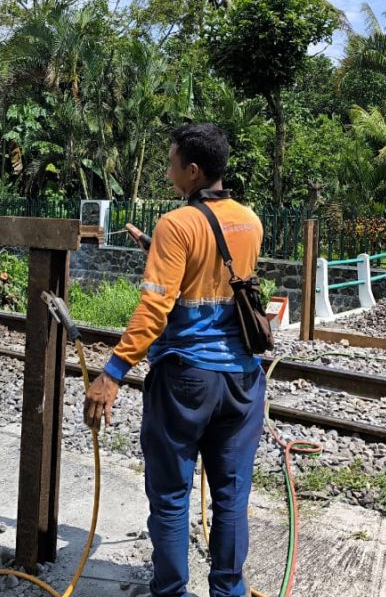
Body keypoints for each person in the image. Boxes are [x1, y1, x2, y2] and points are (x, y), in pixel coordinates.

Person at [83, 123, 265, 597]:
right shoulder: (250, 220)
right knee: (230, 498)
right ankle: (230, 591)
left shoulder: (176, 223)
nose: (167, 174)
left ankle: (170, 592)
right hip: (243, 381)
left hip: (187, 380)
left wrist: (114, 371)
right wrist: (156, 251)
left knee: (169, 498)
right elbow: (219, 278)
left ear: (193, 170)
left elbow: (155, 309)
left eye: (171, 165)